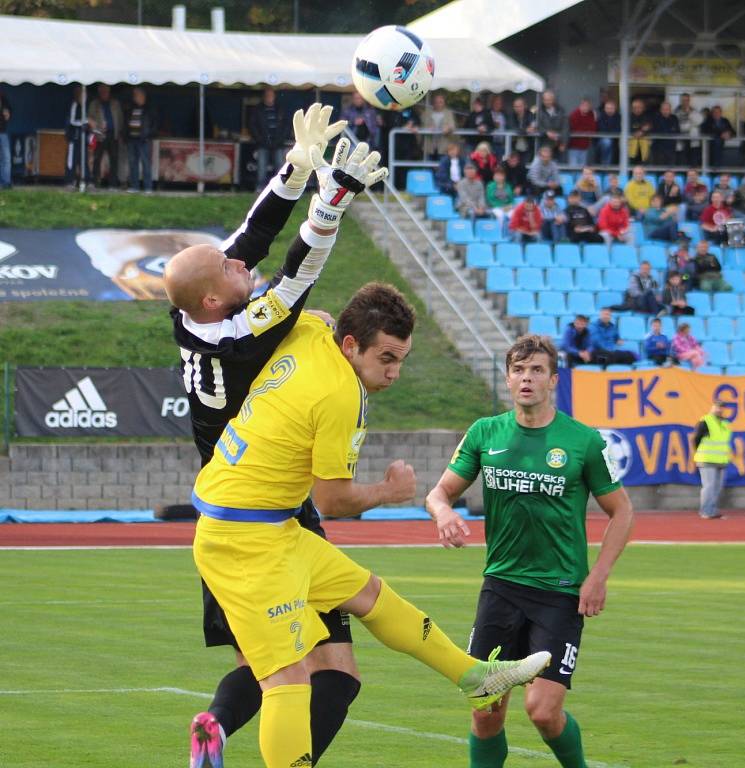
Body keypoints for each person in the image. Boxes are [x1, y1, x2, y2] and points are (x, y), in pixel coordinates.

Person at [189, 278, 552, 768]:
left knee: (370, 596)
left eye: (402, 359)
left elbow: (313, 311)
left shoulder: (314, 330)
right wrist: (389, 492)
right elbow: (332, 499)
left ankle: (475, 678)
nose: (395, 372)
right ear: (351, 345)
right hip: (244, 541)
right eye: (386, 359)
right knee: (287, 678)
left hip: (269, 526)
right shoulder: (342, 396)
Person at [166, 106, 382, 768]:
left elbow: (251, 236)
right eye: (230, 273)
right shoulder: (235, 332)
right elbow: (295, 272)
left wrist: (294, 165)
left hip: (222, 519)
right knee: (333, 675)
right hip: (269, 518)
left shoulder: (202, 313)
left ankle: (215, 724)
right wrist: (332, 198)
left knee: (270, 670)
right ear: (215, 300)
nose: (240, 267)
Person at [425, 333, 634, 768]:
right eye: (518, 370)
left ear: (553, 379)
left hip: (559, 593)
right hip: (500, 588)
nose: (526, 379)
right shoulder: (485, 433)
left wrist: (598, 576)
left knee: (542, 711)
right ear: (507, 378)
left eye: (536, 370)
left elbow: (622, 511)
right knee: (486, 711)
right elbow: (439, 493)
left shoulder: (583, 441)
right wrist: (443, 512)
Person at [693, 400, 732, 520]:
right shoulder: (705, 421)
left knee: (717, 487)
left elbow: (724, 442)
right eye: (717, 407)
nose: (720, 409)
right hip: (707, 459)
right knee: (709, 486)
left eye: (722, 408)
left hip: (721, 460)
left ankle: (712, 510)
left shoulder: (725, 423)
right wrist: (699, 452)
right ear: (712, 407)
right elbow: (696, 438)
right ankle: (706, 511)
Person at [249, 87, 288, 190]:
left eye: (271, 95)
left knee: (280, 167)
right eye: (267, 96)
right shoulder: (258, 109)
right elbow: (252, 125)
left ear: (274, 97)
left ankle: (280, 189)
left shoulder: (280, 109)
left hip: (278, 143)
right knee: (261, 167)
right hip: (263, 143)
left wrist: (281, 139)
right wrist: (259, 139)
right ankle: (260, 188)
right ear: (264, 97)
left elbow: (286, 126)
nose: (269, 98)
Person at [88, 83, 123, 188]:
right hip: (100, 134)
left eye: (106, 91)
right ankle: (95, 182)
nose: (104, 93)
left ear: (109, 91)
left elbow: (120, 118)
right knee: (97, 159)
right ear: (99, 92)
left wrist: (120, 132)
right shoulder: (94, 104)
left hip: (113, 134)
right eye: (102, 91)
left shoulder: (115, 103)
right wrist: (97, 127)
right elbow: (90, 119)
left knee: (114, 159)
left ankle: (113, 184)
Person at [124, 87, 157, 193]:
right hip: (132, 139)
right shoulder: (131, 108)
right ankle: (135, 186)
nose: (134, 97)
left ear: (142, 96)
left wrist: (148, 135)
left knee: (145, 163)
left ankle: (148, 187)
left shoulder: (149, 108)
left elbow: (154, 124)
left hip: (143, 140)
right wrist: (125, 135)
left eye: (136, 95)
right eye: (134, 95)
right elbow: (126, 122)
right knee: (133, 163)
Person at [65, 86, 90, 188]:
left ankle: (86, 180)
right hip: (73, 138)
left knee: (84, 159)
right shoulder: (74, 105)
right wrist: (86, 122)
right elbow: (72, 121)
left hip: (83, 138)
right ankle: (70, 180)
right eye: (82, 95)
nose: (84, 97)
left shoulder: (86, 106)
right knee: (72, 160)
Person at [533, 89, 568, 158]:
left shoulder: (561, 111)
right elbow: (537, 126)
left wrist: (563, 143)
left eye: (549, 100)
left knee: (560, 166)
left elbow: (566, 127)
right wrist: (546, 132)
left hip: (559, 143)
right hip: (544, 144)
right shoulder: (538, 111)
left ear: (553, 100)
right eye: (545, 100)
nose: (547, 102)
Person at [422, 92, 457, 160]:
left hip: (444, 146)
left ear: (444, 103)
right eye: (436, 102)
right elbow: (421, 126)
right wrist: (427, 128)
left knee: (442, 168)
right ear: (433, 103)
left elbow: (453, 126)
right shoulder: (427, 112)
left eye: (440, 102)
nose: (438, 104)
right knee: (428, 168)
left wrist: (448, 128)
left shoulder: (448, 113)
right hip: (429, 146)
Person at [567, 97, 596, 168]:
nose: (586, 108)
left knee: (582, 168)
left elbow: (593, 130)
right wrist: (585, 131)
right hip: (574, 146)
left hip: (585, 146)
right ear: (580, 106)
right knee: (573, 167)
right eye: (584, 106)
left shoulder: (591, 114)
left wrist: (595, 118)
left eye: (588, 106)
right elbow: (573, 129)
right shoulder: (574, 114)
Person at [674, 93, 702, 166]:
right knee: (681, 163)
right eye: (683, 100)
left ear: (689, 101)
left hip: (692, 141)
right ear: (680, 101)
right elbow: (676, 125)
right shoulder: (675, 112)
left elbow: (699, 121)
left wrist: (689, 113)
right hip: (681, 141)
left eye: (687, 100)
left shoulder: (694, 111)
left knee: (693, 163)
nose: (685, 102)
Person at [486, 165, 515, 233]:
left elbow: (511, 199)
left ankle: (512, 233)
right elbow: (490, 199)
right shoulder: (490, 186)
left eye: (501, 175)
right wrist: (501, 207)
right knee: (500, 215)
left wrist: (511, 205)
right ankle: (500, 233)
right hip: (495, 207)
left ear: (504, 177)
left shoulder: (508, 186)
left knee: (513, 215)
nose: (498, 177)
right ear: (494, 176)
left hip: (507, 207)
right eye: (497, 175)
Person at [651, 101, 679, 166]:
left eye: (667, 109)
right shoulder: (656, 118)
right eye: (664, 109)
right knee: (659, 168)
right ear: (660, 110)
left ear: (670, 110)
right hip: (658, 149)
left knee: (670, 169)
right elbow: (656, 131)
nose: (665, 111)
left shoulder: (674, 118)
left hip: (671, 149)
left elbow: (677, 131)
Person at [507, 97, 533, 163]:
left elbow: (533, 127)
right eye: (515, 106)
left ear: (525, 106)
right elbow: (512, 127)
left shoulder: (530, 115)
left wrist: (527, 129)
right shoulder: (511, 115)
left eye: (520, 106)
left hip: (527, 146)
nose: (518, 108)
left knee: (526, 166)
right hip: (514, 147)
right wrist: (525, 130)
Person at [595, 99, 620, 165]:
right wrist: (611, 132)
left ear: (615, 109)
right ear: (604, 109)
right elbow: (602, 129)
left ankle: (607, 169)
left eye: (611, 108)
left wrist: (611, 132)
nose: (609, 110)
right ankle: (605, 167)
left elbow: (618, 129)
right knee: (607, 142)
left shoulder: (619, 117)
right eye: (607, 108)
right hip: (600, 142)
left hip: (615, 142)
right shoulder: (601, 117)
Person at [628, 98, 652, 164]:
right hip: (631, 147)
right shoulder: (628, 117)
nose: (637, 109)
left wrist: (641, 132)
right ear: (632, 108)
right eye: (635, 107)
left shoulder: (648, 116)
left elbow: (648, 127)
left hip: (644, 148)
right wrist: (638, 131)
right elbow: (627, 128)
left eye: (639, 107)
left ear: (643, 108)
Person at [0, 88, 10, 189]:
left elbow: (8, 115)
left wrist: (7, 114)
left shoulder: (4, 101)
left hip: (2, 132)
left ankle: (6, 182)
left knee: (6, 159)